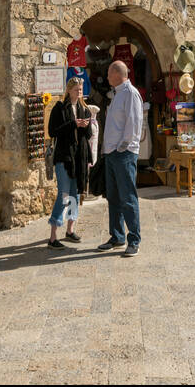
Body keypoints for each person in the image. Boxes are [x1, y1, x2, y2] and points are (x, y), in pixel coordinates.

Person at [97, 60, 144, 256]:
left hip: (123, 153)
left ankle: (134, 239)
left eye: (109, 73)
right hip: (111, 153)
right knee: (114, 197)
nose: (107, 76)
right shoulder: (118, 94)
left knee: (128, 197)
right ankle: (117, 236)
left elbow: (134, 123)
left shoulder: (130, 94)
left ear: (117, 74)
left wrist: (121, 147)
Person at [47, 78, 93, 248]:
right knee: (64, 194)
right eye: (76, 90)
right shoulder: (59, 108)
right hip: (64, 157)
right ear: (69, 90)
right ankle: (52, 236)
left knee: (75, 194)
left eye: (80, 89)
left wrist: (87, 125)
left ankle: (70, 229)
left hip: (79, 158)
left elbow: (87, 136)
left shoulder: (84, 109)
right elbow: (53, 131)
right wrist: (73, 124)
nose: (79, 92)